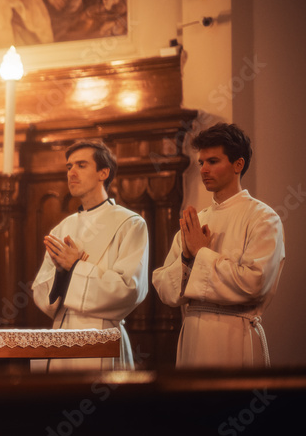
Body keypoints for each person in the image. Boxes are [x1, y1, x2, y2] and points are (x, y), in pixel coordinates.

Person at [153, 123, 285, 368]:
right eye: (201, 162)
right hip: (192, 334)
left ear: (238, 164)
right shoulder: (196, 220)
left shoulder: (263, 218)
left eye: (213, 161)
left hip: (235, 334)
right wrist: (186, 256)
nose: (204, 170)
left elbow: (254, 283)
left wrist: (201, 253)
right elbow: (164, 288)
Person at [32, 140, 149, 370]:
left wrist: (76, 266)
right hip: (61, 336)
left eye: (81, 165)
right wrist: (60, 272)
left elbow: (129, 289)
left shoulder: (130, 223)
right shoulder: (62, 228)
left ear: (103, 173)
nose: (71, 173)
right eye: (69, 167)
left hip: (102, 334)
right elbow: (41, 294)